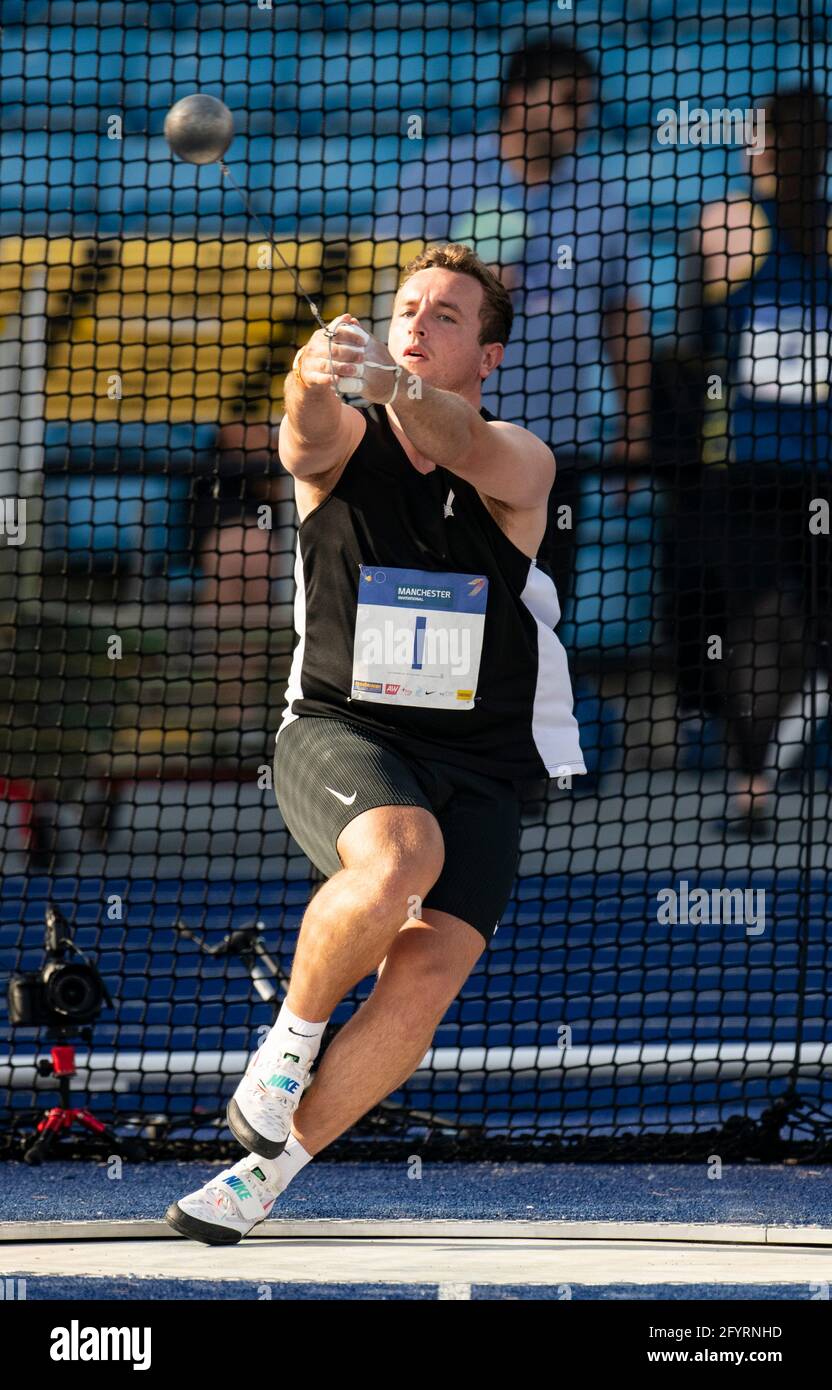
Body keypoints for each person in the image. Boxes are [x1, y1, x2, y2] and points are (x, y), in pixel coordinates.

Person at [166, 243, 586, 1243]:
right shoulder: (349, 444)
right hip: (341, 733)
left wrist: (396, 381)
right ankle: (285, 1049)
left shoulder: (520, 460)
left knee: (427, 975)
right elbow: (303, 438)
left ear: (487, 355)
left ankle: (264, 1176)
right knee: (403, 857)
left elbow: (463, 445)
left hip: (481, 765)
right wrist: (313, 378)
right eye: (406, 307)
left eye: (446, 314)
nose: (417, 321)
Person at [376, 36, 652, 609]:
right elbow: (389, 299)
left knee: (542, 611)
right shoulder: (438, 177)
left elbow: (622, 316)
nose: (583, 118)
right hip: (444, 440)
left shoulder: (603, 195)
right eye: (570, 101)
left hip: (554, 450)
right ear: (520, 99)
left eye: (588, 105)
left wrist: (635, 429)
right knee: (446, 609)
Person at [691, 86, 832, 833]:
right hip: (813, 470)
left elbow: (699, 330)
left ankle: (751, 786)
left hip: (747, 466)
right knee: (796, 628)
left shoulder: (728, 223)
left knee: (749, 629)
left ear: (769, 145)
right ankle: (757, 780)